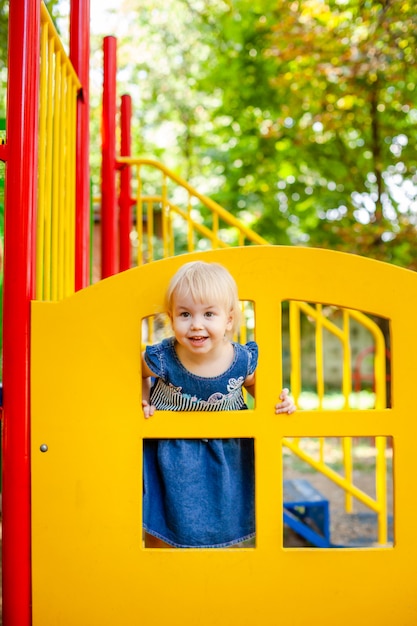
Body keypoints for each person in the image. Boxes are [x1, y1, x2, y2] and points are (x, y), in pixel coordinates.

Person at [141, 261, 295, 548]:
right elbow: (136, 371)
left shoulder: (241, 360)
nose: (196, 324)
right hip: (172, 453)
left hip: (226, 453)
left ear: (228, 319)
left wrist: (281, 401)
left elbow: (258, 387)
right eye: (185, 314)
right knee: (162, 516)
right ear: (171, 318)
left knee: (227, 514)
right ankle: (161, 569)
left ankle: (221, 565)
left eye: (209, 314)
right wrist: (143, 398)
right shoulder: (163, 358)